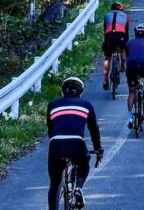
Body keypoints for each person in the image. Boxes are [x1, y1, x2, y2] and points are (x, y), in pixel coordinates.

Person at [47, 77, 103, 210]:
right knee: (84, 164)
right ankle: (78, 188)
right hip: (77, 144)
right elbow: (93, 129)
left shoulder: (52, 105)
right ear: (80, 93)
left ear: (62, 92)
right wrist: (98, 149)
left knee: (54, 184)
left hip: (56, 145)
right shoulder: (86, 105)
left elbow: (50, 129)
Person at [101, 2, 129, 90]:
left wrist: (106, 44)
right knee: (123, 46)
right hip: (120, 36)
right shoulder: (125, 16)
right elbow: (126, 31)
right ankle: (123, 63)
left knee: (107, 58)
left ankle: (105, 79)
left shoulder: (106, 15)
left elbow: (105, 30)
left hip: (109, 36)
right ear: (122, 10)